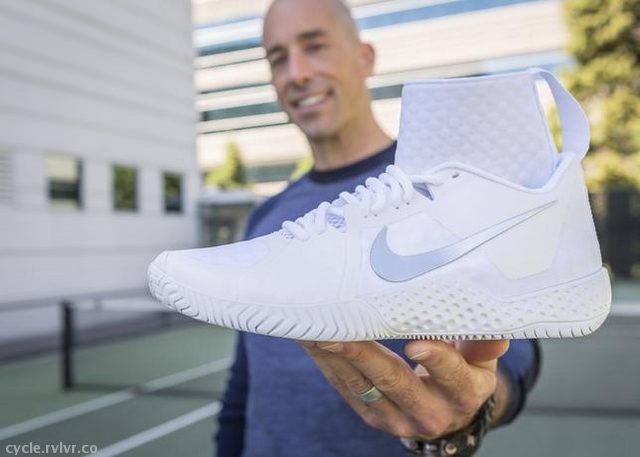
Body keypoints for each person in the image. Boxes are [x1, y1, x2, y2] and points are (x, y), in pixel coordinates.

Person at [215, 0, 540, 455]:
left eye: (315, 46)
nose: (297, 72)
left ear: (365, 58)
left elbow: (513, 351)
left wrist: (472, 405)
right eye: (278, 57)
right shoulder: (264, 219)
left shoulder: (441, 190)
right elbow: (243, 386)